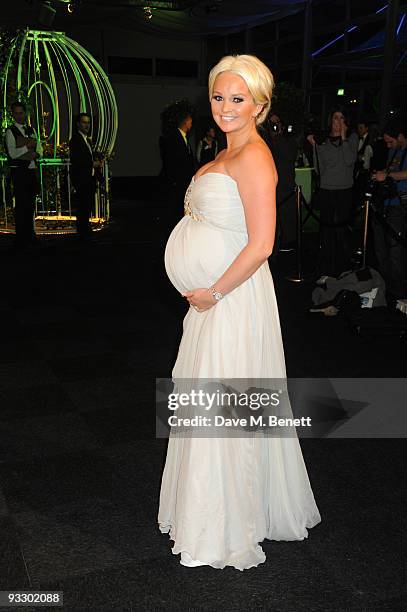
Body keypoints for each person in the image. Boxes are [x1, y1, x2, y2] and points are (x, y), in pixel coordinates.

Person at [158, 54, 321, 570]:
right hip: (215, 301)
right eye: (218, 96)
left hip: (231, 298)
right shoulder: (223, 151)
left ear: (260, 104)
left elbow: (262, 244)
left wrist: (216, 293)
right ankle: (213, 511)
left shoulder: (254, 156)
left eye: (237, 98)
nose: (226, 107)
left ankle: (225, 525)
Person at [307, 107, 358, 276]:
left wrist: (343, 137)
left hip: (344, 190)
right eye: (336, 118)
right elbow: (318, 167)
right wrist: (315, 147)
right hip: (327, 189)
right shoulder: (324, 141)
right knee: (326, 229)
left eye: (342, 118)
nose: (338, 122)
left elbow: (350, 160)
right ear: (331, 120)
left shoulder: (352, 138)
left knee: (342, 229)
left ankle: (344, 266)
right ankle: (326, 266)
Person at [370, 117, 407, 299]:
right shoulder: (395, 152)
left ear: (400, 136)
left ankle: (398, 288)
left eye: (390, 141)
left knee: (395, 249)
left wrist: (387, 175)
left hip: (399, 207)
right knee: (381, 247)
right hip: (385, 205)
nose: (388, 145)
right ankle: (384, 284)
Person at [5, 101, 43, 249]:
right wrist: (27, 146)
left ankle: (30, 234)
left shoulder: (31, 129)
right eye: (17, 113)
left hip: (31, 171)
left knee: (30, 205)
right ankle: (21, 239)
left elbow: (38, 147)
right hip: (20, 173)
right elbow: (13, 153)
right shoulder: (10, 131)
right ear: (13, 114)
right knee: (21, 206)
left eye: (22, 112)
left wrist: (36, 153)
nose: (20, 116)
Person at [260, 113, 298, 252]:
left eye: (278, 122)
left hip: (286, 187)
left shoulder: (288, 140)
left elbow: (290, 156)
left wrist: (280, 137)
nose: (276, 126)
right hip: (269, 188)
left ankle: (289, 246)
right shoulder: (264, 140)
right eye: (272, 123)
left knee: (287, 221)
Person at [159, 101, 196, 221]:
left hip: (182, 183)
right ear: (185, 121)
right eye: (190, 119)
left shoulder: (182, 137)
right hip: (176, 184)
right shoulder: (173, 138)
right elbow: (173, 162)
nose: (191, 122)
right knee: (174, 214)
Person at [69, 113, 100, 240]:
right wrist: (93, 163)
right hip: (82, 178)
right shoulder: (76, 140)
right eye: (84, 122)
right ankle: (83, 233)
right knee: (83, 206)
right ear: (78, 124)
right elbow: (77, 160)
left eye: (88, 122)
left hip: (88, 178)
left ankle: (85, 231)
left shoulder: (87, 139)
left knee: (86, 206)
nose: (87, 125)